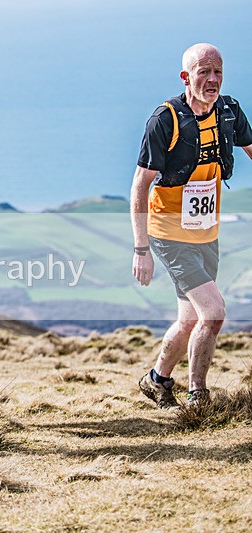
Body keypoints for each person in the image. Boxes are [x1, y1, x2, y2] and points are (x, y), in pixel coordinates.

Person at [131, 43, 252, 409]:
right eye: (204, 72)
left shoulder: (229, 112)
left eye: (218, 72)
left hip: (206, 231)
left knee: (189, 321)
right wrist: (141, 249)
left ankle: (157, 380)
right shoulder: (165, 120)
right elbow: (140, 185)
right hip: (169, 233)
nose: (212, 79)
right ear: (186, 77)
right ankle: (198, 396)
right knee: (213, 313)